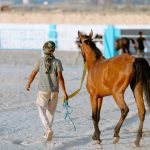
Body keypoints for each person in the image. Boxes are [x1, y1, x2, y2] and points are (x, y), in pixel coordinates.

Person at [26, 41, 68, 141]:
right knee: (51, 113)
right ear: (53, 50)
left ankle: (48, 129)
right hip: (55, 91)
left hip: (43, 90)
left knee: (41, 109)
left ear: (44, 49)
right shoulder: (57, 62)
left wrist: (28, 84)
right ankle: (47, 132)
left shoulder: (40, 61)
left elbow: (33, 74)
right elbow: (61, 78)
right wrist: (65, 92)